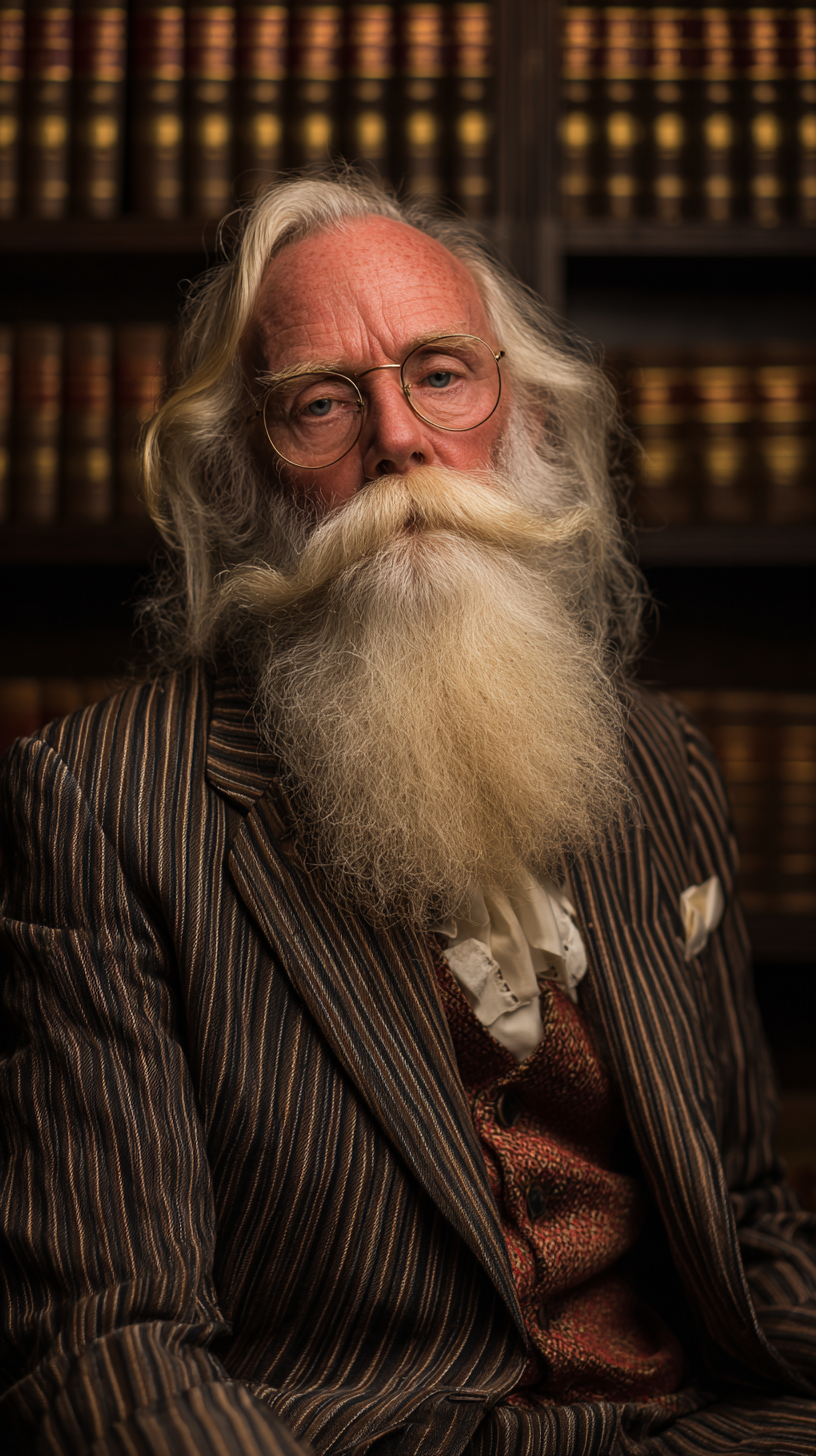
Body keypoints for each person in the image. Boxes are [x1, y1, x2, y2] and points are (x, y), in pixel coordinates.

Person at [1, 171, 814, 1456]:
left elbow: (754, 1220)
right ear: (245, 476)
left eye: (442, 373)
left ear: (525, 413)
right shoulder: (100, 803)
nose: (399, 439)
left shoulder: (662, 761)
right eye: (320, 403)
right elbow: (111, 1348)